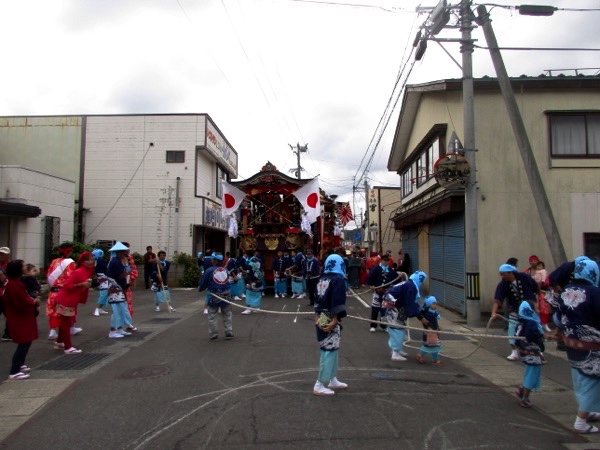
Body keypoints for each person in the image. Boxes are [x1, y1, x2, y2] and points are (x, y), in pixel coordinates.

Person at [549, 257, 600, 433]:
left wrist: (560, 331)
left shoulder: (565, 291)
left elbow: (557, 316)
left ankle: (589, 411)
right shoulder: (594, 292)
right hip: (592, 346)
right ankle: (581, 421)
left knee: (581, 380)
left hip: (572, 344)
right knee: (592, 381)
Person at [312, 253, 348, 396]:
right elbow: (337, 301)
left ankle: (332, 379)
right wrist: (335, 320)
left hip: (322, 316)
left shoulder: (322, 278)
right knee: (329, 350)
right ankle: (319, 384)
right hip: (330, 317)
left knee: (332, 348)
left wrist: (317, 317)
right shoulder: (338, 279)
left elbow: (317, 299)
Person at [491, 263, 539, 361]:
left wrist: (536, 304)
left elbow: (535, 287)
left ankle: (537, 350)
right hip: (514, 309)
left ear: (510, 272)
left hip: (529, 308)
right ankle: (514, 351)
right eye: (501, 274)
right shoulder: (503, 284)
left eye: (503, 274)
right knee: (512, 329)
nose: (502, 276)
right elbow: (498, 298)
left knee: (534, 328)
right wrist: (494, 312)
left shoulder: (524, 277)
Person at [381, 271, 429, 361]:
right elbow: (410, 303)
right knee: (397, 330)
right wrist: (420, 318)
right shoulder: (411, 287)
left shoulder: (408, 284)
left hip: (394, 306)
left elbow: (410, 303)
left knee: (397, 329)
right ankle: (395, 352)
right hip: (393, 307)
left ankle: (397, 349)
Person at [3, 260, 39, 379]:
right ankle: (14, 371)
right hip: (20, 317)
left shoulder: (16, 282)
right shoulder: (14, 285)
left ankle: (20, 364)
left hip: (21, 316)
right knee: (24, 342)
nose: (25, 267)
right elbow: (21, 302)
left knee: (26, 341)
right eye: (23, 266)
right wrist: (33, 301)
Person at [54, 252, 95, 354]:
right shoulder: (79, 271)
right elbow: (67, 285)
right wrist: (82, 284)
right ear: (82, 261)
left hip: (70, 300)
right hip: (66, 300)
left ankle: (60, 342)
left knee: (65, 322)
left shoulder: (87, 271)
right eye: (87, 259)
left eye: (91, 259)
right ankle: (68, 347)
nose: (90, 262)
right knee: (66, 323)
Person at [514, 298, 546, 408]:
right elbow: (531, 335)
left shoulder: (522, 322)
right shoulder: (531, 322)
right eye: (536, 308)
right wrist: (542, 336)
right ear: (529, 310)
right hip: (532, 353)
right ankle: (525, 398)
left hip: (525, 352)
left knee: (530, 372)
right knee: (532, 373)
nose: (538, 310)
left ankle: (523, 390)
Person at [198, 252, 233, 341]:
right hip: (226, 294)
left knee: (212, 315)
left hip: (214, 295)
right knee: (227, 314)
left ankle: (214, 334)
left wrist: (201, 288)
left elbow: (203, 283)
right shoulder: (225, 270)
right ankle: (229, 332)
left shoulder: (209, 270)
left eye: (212, 259)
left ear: (214, 260)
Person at [46, 243, 78, 340]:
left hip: (53, 291)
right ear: (70, 251)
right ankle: (69, 330)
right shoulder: (71, 263)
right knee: (67, 311)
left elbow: (48, 274)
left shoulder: (54, 261)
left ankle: (52, 330)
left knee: (53, 311)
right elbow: (72, 277)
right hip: (64, 291)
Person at [106, 241, 134, 338]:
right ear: (119, 252)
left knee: (122, 309)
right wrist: (127, 272)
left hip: (118, 288)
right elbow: (120, 275)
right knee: (117, 310)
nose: (125, 254)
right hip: (115, 289)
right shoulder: (115, 262)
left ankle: (119, 329)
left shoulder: (116, 261)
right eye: (123, 252)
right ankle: (113, 330)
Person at [366, 253, 393, 333]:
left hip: (386, 293)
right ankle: (373, 325)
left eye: (388, 260)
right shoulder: (375, 269)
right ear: (381, 260)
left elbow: (394, 280)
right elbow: (370, 278)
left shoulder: (390, 270)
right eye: (385, 260)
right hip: (377, 292)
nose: (387, 262)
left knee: (385, 310)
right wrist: (372, 285)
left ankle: (383, 325)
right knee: (375, 309)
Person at [416, 296, 443, 365]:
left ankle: (434, 359)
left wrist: (437, 329)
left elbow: (435, 322)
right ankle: (421, 355)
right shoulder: (428, 313)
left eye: (435, 303)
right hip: (430, 332)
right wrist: (432, 330)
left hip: (433, 332)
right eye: (433, 304)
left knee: (434, 346)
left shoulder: (431, 312)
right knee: (431, 346)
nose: (435, 305)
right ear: (429, 305)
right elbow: (427, 323)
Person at [92, 249, 110, 316]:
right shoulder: (99, 260)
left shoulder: (97, 260)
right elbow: (105, 268)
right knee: (103, 294)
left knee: (105, 293)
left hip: (103, 277)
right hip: (103, 278)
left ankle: (100, 308)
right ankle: (97, 309)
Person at [0, 247, 11, 341]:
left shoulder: (10, 265)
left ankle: (7, 334)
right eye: (0, 254)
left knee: (9, 314)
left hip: (7, 293)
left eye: (3, 254)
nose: (1, 256)